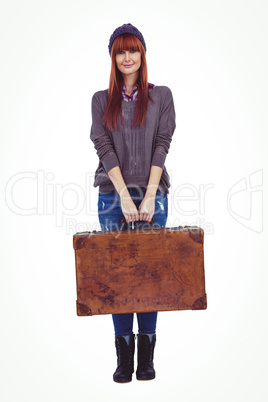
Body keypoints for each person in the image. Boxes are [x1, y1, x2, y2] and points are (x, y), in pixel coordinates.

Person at [90, 23, 176, 383]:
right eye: (120, 51)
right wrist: (125, 196)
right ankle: (124, 358)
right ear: (114, 57)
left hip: (153, 195)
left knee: (150, 277)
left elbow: (162, 142)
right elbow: (103, 146)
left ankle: (147, 357)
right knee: (118, 279)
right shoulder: (100, 100)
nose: (127, 57)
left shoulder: (162, 97)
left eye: (133, 50)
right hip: (113, 197)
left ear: (142, 55)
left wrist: (150, 193)